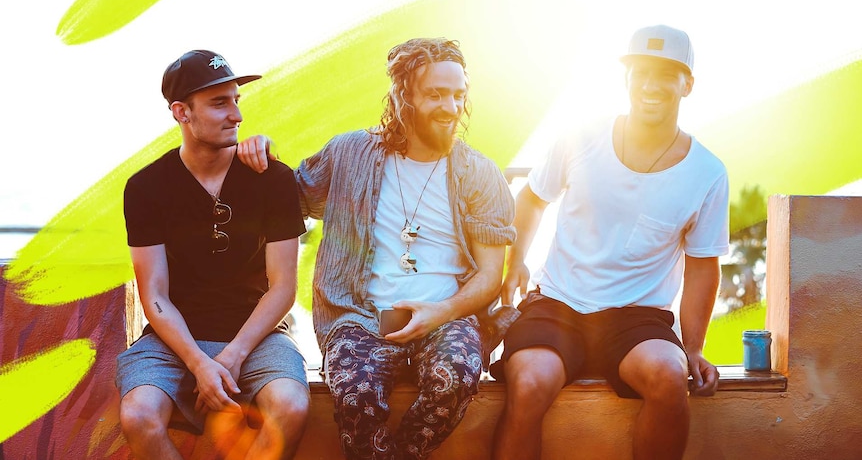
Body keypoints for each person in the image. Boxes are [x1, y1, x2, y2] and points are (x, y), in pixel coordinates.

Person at [238, 38, 516, 460]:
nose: (451, 107)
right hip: (358, 318)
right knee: (357, 397)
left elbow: (489, 276)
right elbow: (288, 197)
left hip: (447, 316)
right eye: (435, 94)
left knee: (455, 377)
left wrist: (438, 313)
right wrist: (261, 151)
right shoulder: (349, 153)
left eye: (459, 94)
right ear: (402, 95)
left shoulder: (480, 173)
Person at [490, 25, 729, 460]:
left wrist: (693, 348)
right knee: (528, 383)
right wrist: (517, 263)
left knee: (669, 377)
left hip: (637, 318)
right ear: (626, 79)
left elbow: (702, 267)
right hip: (559, 304)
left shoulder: (708, 172)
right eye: (640, 72)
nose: (650, 85)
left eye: (665, 74)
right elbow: (532, 198)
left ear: (687, 84)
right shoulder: (582, 135)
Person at [116, 50, 310, 460]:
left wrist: (232, 355)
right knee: (138, 415)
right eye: (220, 103)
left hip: (257, 335)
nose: (236, 115)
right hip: (174, 339)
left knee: (291, 406)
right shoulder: (146, 187)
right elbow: (154, 295)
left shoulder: (273, 179)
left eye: (237, 100)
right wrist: (201, 365)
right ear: (181, 112)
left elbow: (283, 287)